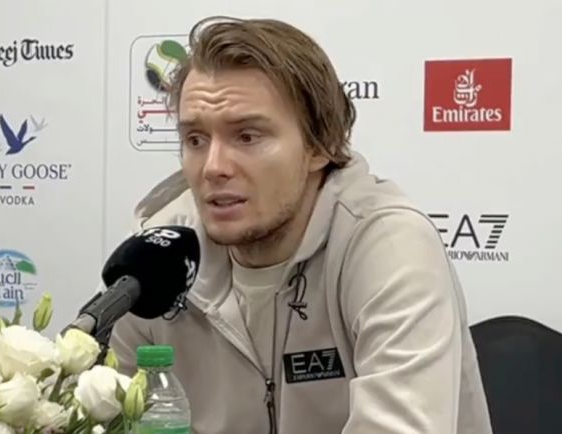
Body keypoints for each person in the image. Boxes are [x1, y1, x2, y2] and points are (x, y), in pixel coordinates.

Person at [109, 15, 494, 434]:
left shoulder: (389, 245)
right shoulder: (157, 257)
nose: (213, 167)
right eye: (196, 140)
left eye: (247, 136)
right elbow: (102, 416)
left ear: (321, 145)